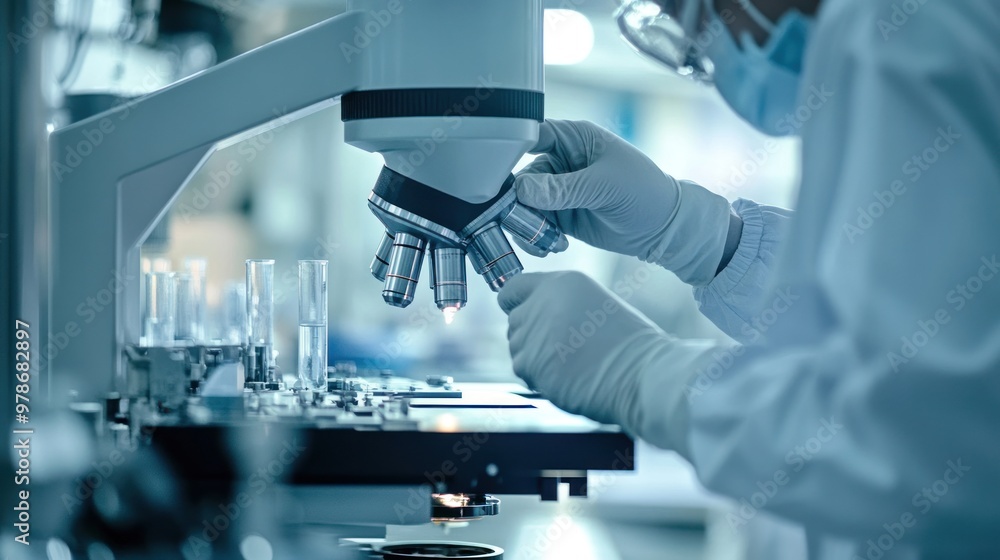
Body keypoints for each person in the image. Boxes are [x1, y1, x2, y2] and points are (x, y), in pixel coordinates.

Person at [497, 0, 1000, 558]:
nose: (695, 39)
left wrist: (641, 376)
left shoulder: (897, 30)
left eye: (686, 14)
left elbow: (906, 438)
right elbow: (926, 311)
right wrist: (704, 239)